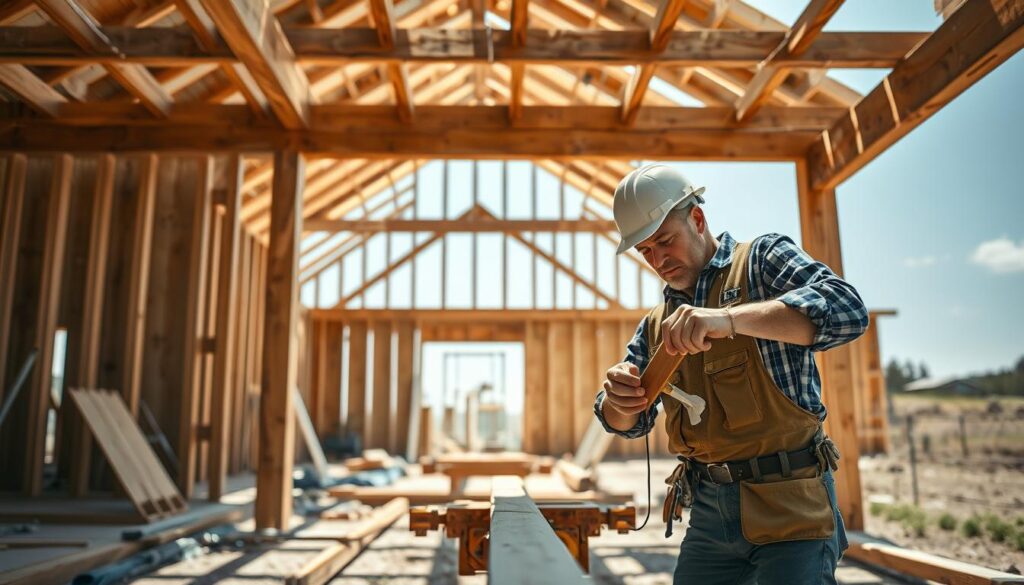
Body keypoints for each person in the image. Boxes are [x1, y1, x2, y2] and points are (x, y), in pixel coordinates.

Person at [594, 163, 868, 584]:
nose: (659, 260)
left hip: (792, 507)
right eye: (645, 251)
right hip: (708, 515)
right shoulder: (656, 326)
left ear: (698, 219)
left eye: (665, 241)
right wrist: (619, 401)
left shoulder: (761, 261)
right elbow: (626, 424)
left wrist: (730, 320)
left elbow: (848, 311)